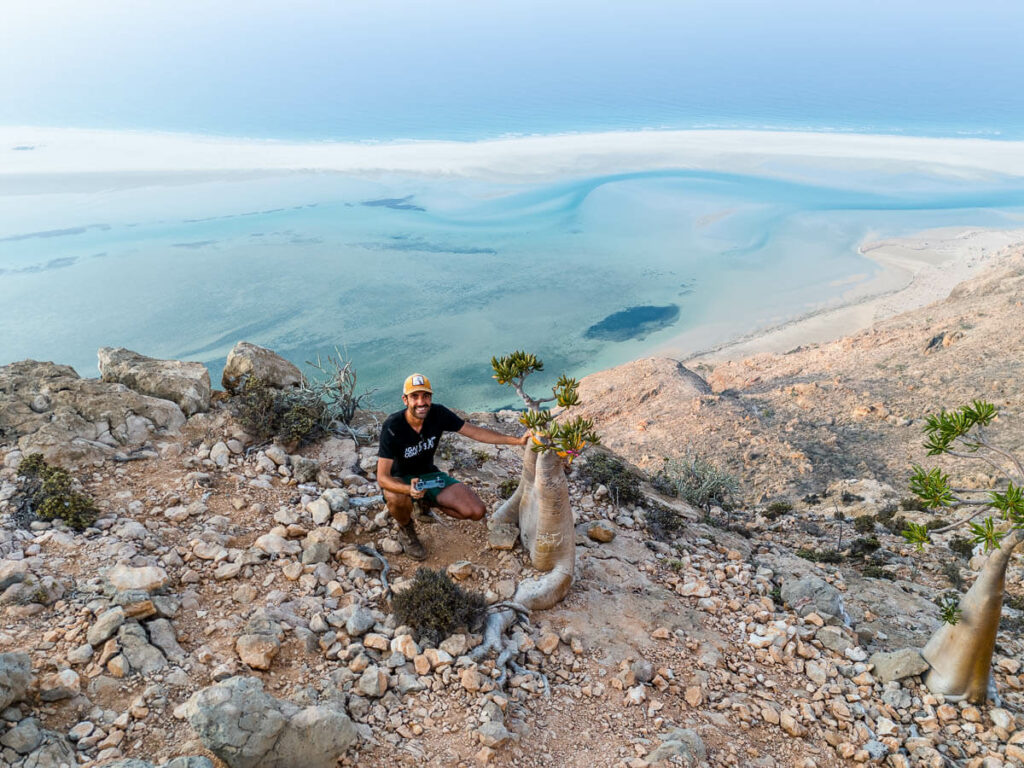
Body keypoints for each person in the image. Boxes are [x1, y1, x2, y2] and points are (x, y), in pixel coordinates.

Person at [376, 373, 530, 560]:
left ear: (430, 398)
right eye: (415, 396)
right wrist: (408, 489)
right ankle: (406, 530)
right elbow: (382, 478)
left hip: (428, 475)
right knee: (395, 497)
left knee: (475, 511)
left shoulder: (438, 414)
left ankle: (424, 502)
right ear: (405, 400)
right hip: (400, 480)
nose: (421, 402)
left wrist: (517, 441)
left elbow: (475, 433)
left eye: (425, 396)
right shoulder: (393, 426)